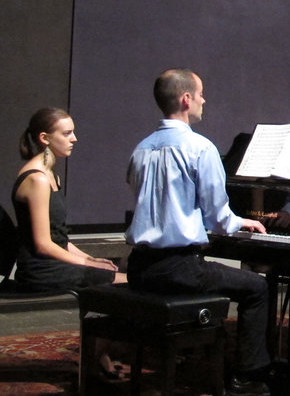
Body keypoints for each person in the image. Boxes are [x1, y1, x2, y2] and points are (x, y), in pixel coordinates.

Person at [125, 69, 271, 396]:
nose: (205, 100)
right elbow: (219, 218)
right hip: (178, 268)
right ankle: (248, 378)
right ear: (186, 99)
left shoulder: (141, 148)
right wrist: (240, 222)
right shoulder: (200, 148)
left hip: (139, 267)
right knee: (257, 287)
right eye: (201, 94)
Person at [12, 107, 128, 380]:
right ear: (44, 138)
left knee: (115, 271)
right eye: (66, 133)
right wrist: (87, 263)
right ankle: (95, 355)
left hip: (53, 261)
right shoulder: (37, 179)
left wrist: (89, 258)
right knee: (130, 285)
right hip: (40, 269)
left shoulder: (52, 175)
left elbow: (59, 238)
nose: (74, 138)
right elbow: (43, 244)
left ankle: (98, 353)